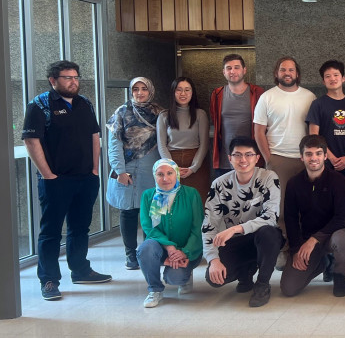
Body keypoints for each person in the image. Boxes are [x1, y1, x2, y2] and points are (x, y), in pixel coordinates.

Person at [23, 60, 112, 301]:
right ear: (53, 80)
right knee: (51, 231)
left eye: (76, 77)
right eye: (67, 78)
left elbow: (95, 137)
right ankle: (49, 279)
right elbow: (32, 142)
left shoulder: (85, 104)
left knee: (80, 228)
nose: (73, 82)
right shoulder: (39, 105)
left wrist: (95, 169)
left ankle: (81, 270)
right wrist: (48, 175)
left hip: (86, 178)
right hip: (56, 180)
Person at [202, 137, 284, 307]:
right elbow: (209, 224)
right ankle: (245, 273)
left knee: (269, 233)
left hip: (265, 238)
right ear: (229, 158)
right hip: (238, 242)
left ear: (257, 158)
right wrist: (213, 260)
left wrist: (235, 229)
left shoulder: (269, 177)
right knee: (214, 278)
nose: (243, 160)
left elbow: (271, 217)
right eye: (237, 155)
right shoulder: (219, 184)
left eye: (248, 155)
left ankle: (262, 284)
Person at [253, 56, 316, 266]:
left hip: (306, 160)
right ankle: (284, 249)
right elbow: (259, 131)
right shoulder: (267, 97)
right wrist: (269, 159)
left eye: (291, 69)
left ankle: (306, 249)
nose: (287, 73)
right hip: (278, 158)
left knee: (306, 206)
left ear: (297, 73)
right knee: (279, 207)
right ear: (276, 73)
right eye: (283, 70)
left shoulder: (309, 96)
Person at [280, 135, 345, 298]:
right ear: (301, 157)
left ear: (325, 156)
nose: (314, 158)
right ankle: (320, 264)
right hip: (307, 240)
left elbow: (342, 218)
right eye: (308, 154)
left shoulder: (339, 180)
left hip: (334, 235)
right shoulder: (294, 183)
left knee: (344, 240)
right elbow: (291, 219)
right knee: (289, 288)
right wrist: (295, 250)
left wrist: (315, 239)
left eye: (318, 153)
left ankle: (339, 275)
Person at [105, 76, 163, 270]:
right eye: (135, 89)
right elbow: (114, 144)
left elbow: (166, 141)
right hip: (127, 168)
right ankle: (131, 255)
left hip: (152, 169)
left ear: (150, 91)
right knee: (129, 211)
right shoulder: (122, 112)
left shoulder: (160, 113)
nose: (139, 93)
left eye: (143, 89)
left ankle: (149, 251)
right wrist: (120, 171)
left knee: (153, 212)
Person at [137, 159, 204, 308]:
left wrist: (184, 252)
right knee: (145, 249)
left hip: (187, 250)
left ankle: (186, 273)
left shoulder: (191, 194)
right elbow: (149, 228)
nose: (165, 179)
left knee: (174, 278)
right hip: (162, 248)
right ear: (154, 176)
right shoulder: (150, 196)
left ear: (177, 174)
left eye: (169, 173)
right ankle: (155, 290)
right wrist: (169, 248)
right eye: (160, 174)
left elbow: (198, 227)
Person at [306, 60, 345, 192]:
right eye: (328, 76)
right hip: (325, 162)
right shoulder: (318, 104)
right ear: (323, 81)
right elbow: (314, 135)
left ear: (343, 78)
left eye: (336, 75)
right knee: (324, 200)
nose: (332, 78)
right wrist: (330, 158)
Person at [156, 77, 210, 207]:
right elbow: (161, 144)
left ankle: (197, 228)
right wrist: (171, 167)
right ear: (173, 92)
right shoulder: (164, 116)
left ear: (192, 93)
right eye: (179, 90)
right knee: (171, 205)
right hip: (170, 162)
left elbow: (204, 144)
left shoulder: (200, 114)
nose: (183, 94)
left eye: (187, 90)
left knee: (197, 204)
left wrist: (193, 168)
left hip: (196, 164)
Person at [210, 54, 264, 178]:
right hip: (225, 159)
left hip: (250, 159)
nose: (232, 71)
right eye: (229, 68)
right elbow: (215, 119)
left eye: (236, 67)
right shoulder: (217, 94)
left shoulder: (257, 93)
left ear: (244, 70)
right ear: (223, 72)